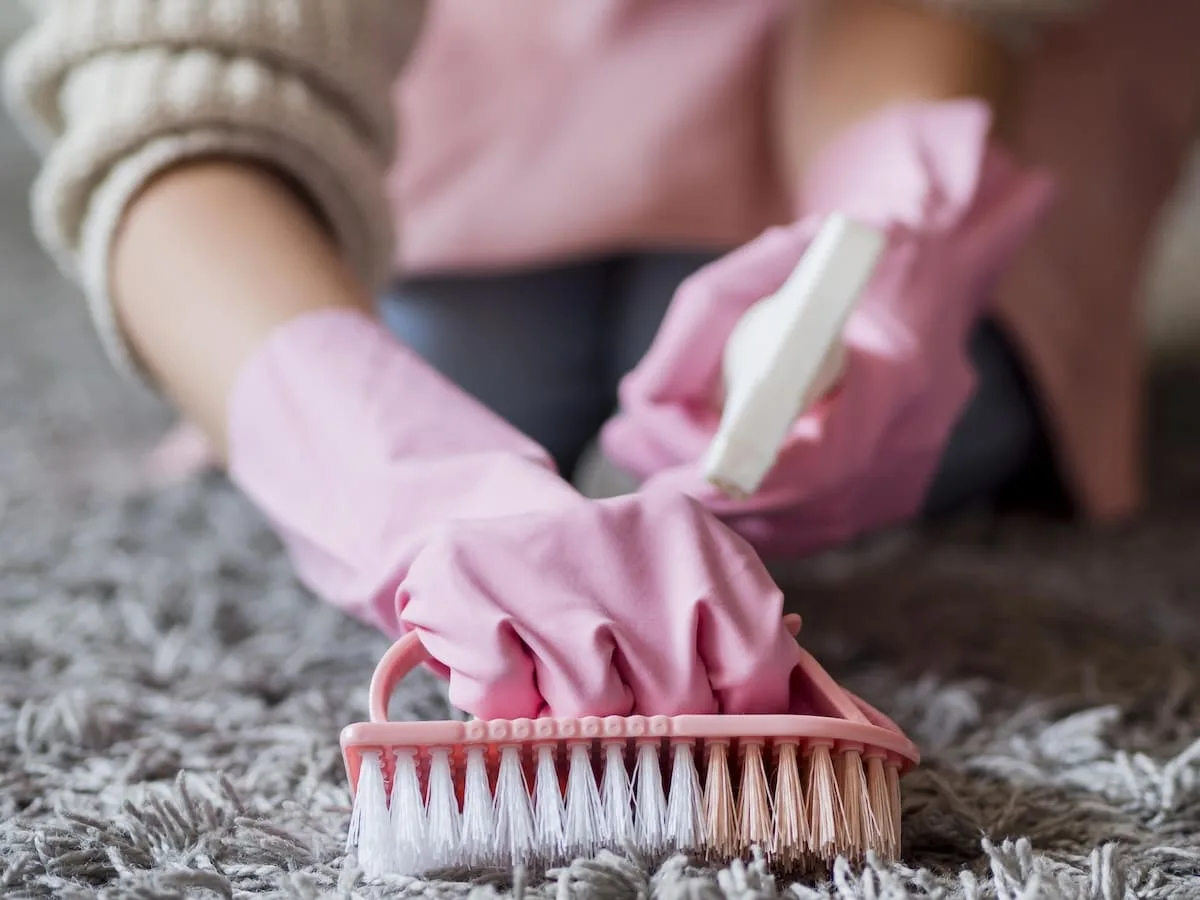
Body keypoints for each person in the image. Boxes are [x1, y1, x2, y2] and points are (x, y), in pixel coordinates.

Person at [5, 0, 1199, 720]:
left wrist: (888, 244)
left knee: (854, 408)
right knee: (467, 372)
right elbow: (166, 99)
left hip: (963, 66)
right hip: (483, 88)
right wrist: (393, 477)